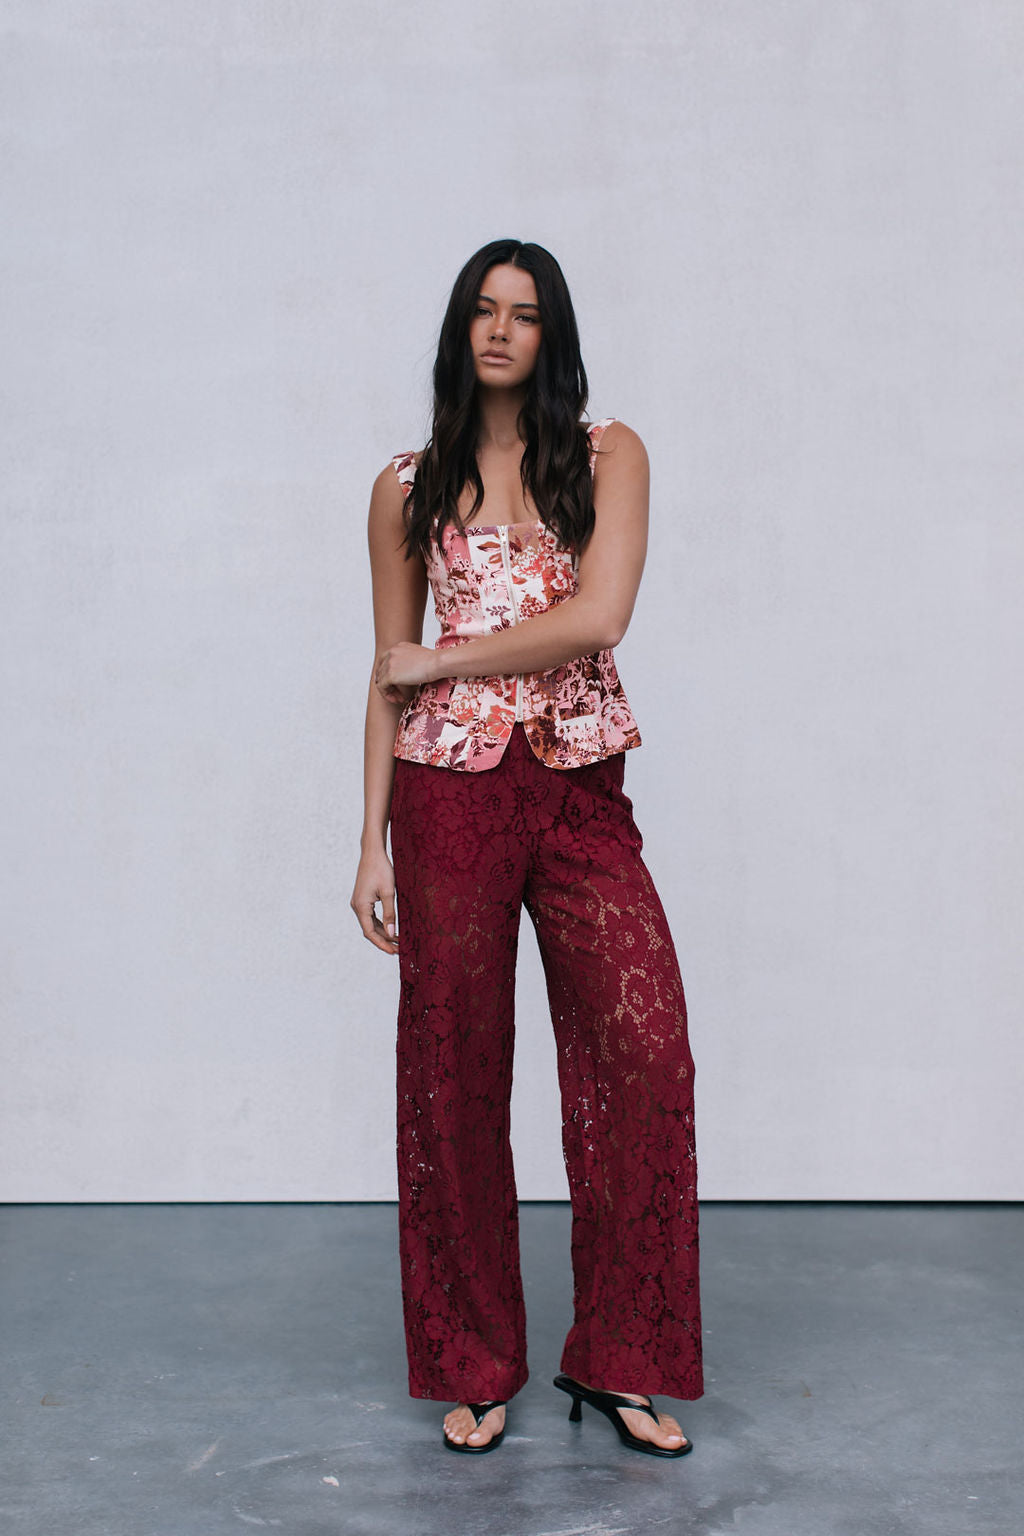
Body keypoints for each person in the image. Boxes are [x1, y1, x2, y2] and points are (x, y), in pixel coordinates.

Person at [351, 239, 702, 1458]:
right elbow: (383, 679)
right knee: (452, 1071)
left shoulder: (609, 457)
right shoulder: (406, 485)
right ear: (459, 329)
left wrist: (444, 661)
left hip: (577, 785)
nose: (501, 330)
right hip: (444, 798)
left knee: (645, 1053)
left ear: (553, 337)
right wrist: (367, 846)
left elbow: (599, 616)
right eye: (484, 311)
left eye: (527, 314)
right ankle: (476, 1358)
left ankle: (618, 1358)